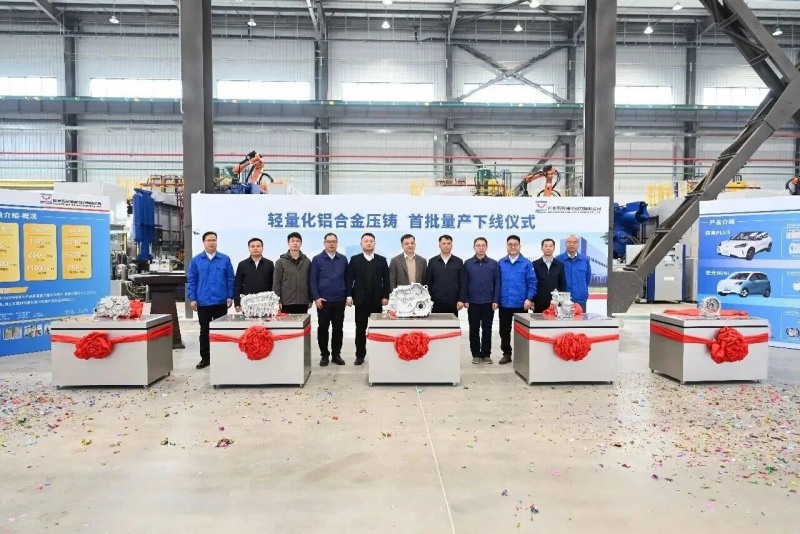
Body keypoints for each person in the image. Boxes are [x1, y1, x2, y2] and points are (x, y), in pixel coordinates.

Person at [187, 231, 235, 369]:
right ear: (204, 242)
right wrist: (192, 298)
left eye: (214, 240)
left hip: (220, 301)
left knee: (220, 331)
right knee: (204, 331)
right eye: (209, 240)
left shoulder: (225, 259)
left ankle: (221, 357)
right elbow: (192, 280)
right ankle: (205, 358)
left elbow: (230, 279)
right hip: (203, 302)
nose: (211, 243)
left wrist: (230, 296)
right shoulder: (196, 261)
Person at [346, 233, 390, 365]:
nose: (369, 243)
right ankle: (360, 355)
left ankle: (378, 355)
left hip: (377, 301)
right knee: (360, 329)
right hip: (360, 301)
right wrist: (349, 295)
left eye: (371, 241)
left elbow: (386, 280)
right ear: (361, 244)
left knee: (377, 329)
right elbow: (349, 279)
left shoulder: (382, 260)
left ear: (375, 244)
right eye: (366, 241)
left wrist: (386, 296)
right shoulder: (355, 259)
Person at [497, 235, 537, 365]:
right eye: (510, 244)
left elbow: (532, 282)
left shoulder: (526, 263)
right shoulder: (501, 263)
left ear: (520, 246)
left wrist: (529, 298)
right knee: (504, 331)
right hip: (504, 303)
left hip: (521, 304)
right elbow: (496, 283)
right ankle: (507, 354)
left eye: (515, 244)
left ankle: (521, 355)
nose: (513, 247)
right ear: (507, 246)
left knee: (522, 331)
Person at [310, 233, 348, 367]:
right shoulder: (317, 259)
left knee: (338, 328)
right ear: (324, 243)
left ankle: (336, 355)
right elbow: (313, 281)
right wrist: (316, 298)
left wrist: (347, 296)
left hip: (339, 300)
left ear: (337, 243)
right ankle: (324, 355)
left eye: (334, 241)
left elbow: (347, 279)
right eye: (329, 241)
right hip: (323, 301)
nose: (331, 244)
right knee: (323, 328)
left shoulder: (343, 259)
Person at [463, 237, 499, 364]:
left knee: (487, 330)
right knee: (474, 329)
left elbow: (497, 283)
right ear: (474, 247)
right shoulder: (467, 263)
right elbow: (464, 282)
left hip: (489, 302)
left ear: (486, 247)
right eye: (478, 245)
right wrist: (465, 299)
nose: (481, 247)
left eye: (483, 245)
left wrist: (495, 300)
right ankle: (476, 354)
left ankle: (486, 354)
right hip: (473, 302)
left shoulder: (493, 263)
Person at [426, 234, 466, 316]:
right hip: (436, 301)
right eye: (443, 243)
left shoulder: (458, 261)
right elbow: (428, 282)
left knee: (452, 324)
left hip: (453, 301)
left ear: (452, 245)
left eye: (448, 243)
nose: (446, 246)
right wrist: (428, 300)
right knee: (437, 323)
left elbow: (462, 282)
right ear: (439, 245)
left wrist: (461, 300)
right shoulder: (432, 261)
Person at [273, 232, 312, 314]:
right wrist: (277, 301)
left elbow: (310, 282)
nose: (295, 243)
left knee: (302, 322)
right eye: (292, 241)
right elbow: (277, 283)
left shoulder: (307, 261)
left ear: (301, 243)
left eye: (297, 241)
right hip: (286, 302)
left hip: (303, 301)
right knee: (287, 322)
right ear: (288, 243)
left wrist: (310, 299)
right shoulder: (281, 262)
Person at [233, 237, 275, 313]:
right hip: (248, 303)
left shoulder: (269, 264)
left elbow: (273, 283)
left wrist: (274, 302)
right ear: (249, 249)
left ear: (262, 248)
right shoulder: (242, 264)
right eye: (252, 246)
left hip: (265, 303)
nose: (255, 248)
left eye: (258, 246)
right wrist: (237, 303)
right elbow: (238, 285)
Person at [557, 234, 592, 312]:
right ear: (565, 244)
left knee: (580, 319)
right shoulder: (558, 260)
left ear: (578, 244)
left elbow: (587, 278)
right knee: (563, 319)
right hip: (563, 299)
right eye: (569, 242)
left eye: (575, 242)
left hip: (580, 299)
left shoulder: (585, 260)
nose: (572, 244)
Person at [532, 238, 567, 313]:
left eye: (551, 246)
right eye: (546, 246)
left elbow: (562, 284)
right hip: (539, 302)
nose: (548, 248)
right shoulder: (535, 264)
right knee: (538, 320)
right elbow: (532, 284)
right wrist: (531, 300)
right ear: (541, 248)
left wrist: (562, 301)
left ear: (554, 248)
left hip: (555, 303)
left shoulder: (560, 265)